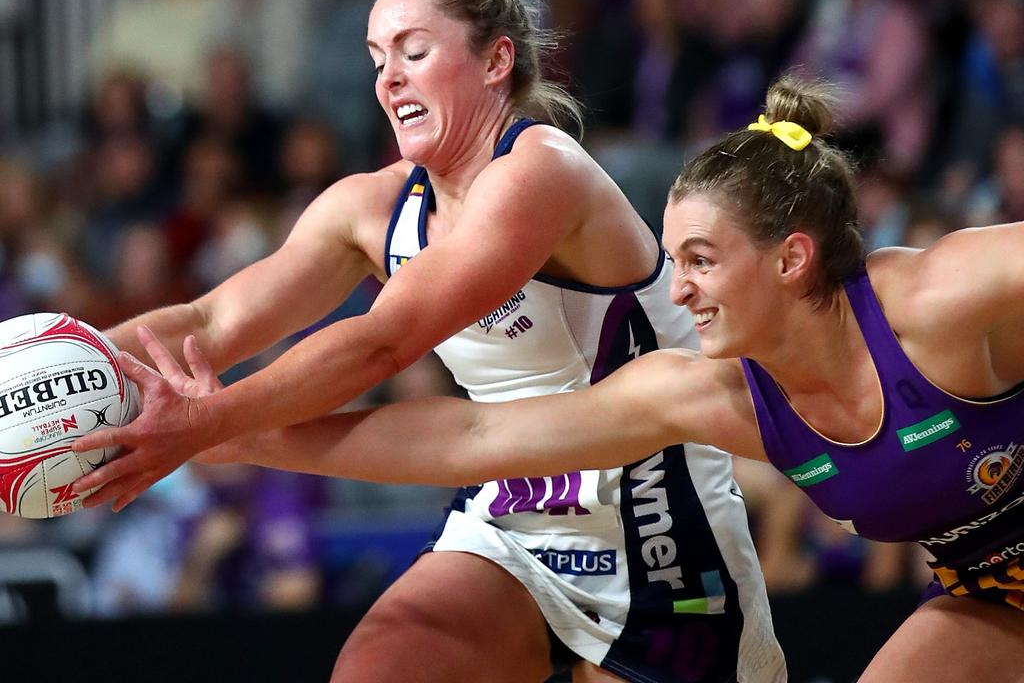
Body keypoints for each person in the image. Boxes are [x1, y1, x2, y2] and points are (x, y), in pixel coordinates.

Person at [72, 0, 785, 682]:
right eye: (378, 59)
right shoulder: (368, 208)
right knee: (377, 668)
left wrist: (211, 422)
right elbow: (208, 322)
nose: (389, 79)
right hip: (511, 513)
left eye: (414, 51)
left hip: (653, 515)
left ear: (495, 61)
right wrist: (57, 370)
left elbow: (385, 342)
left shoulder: (542, 171)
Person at [140, 74, 1024, 680]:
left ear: (791, 259)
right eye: (674, 259)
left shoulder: (941, 297)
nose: (676, 290)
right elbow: (477, 438)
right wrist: (226, 430)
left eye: (702, 261)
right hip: (993, 590)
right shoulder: (709, 392)